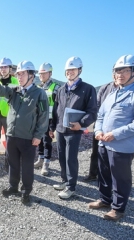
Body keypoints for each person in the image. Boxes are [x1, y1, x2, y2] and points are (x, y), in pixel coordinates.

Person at [88, 55, 134, 221]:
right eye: (117, 71)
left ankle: (118, 208)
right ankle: (104, 199)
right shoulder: (111, 94)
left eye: (125, 70)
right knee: (103, 174)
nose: (120, 74)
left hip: (121, 146)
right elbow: (100, 115)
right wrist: (98, 131)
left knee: (120, 178)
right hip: (103, 143)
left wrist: (115, 134)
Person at [0, 61, 49, 204]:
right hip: (12, 135)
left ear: (31, 75)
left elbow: (43, 116)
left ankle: (26, 191)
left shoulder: (39, 93)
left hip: (28, 138)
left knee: (27, 166)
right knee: (13, 163)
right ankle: (13, 187)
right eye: (18, 74)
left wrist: (38, 135)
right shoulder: (14, 90)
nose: (19, 76)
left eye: (22, 74)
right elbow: (3, 90)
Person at [49, 56, 97, 199]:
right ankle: (64, 180)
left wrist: (81, 124)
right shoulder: (61, 89)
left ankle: (71, 187)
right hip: (60, 129)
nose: (70, 72)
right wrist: (52, 126)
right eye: (68, 70)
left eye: (73, 69)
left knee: (71, 158)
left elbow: (93, 112)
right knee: (62, 157)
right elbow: (55, 110)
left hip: (74, 131)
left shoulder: (88, 89)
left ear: (79, 70)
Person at [82, 75, 119, 182]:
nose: (119, 75)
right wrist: (99, 126)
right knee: (96, 151)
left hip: (114, 128)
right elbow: (96, 105)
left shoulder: (128, 90)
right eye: (116, 72)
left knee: (113, 154)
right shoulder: (105, 88)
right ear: (113, 74)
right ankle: (93, 174)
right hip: (100, 125)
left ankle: (111, 178)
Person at [34, 63, 60, 176]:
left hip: (49, 119)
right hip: (39, 119)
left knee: (47, 142)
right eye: (40, 73)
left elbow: (58, 106)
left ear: (50, 73)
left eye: (44, 73)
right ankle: (40, 158)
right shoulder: (38, 87)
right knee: (38, 140)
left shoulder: (56, 87)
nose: (41, 75)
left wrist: (54, 124)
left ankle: (46, 163)